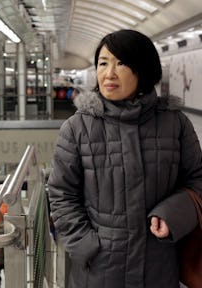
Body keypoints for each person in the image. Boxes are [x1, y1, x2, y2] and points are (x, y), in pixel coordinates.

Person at [47, 29, 202, 288]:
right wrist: (86, 245)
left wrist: (173, 215)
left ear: (143, 68)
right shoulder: (77, 128)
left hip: (159, 267)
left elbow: (198, 180)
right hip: (98, 271)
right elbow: (61, 194)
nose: (109, 73)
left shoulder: (175, 124)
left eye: (121, 63)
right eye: (103, 63)